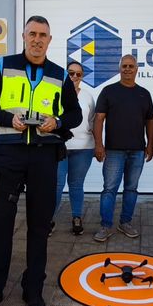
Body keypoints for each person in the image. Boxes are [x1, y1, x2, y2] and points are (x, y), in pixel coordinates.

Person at [0, 16, 82, 306]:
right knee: (1, 223)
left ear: (50, 40)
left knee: (39, 225)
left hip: (44, 155)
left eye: (42, 35)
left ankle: (33, 289)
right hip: (9, 153)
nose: (37, 39)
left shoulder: (59, 75)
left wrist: (56, 122)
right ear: (23, 36)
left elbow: (74, 115)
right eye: (32, 33)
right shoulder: (3, 66)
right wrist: (8, 119)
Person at [92, 55, 153, 242]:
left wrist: (150, 144)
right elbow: (99, 119)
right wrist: (98, 144)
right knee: (109, 189)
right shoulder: (108, 91)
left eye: (131, 66)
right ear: (119, 68)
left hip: (137, 151)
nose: (127, 69)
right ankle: (106, 226)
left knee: (131, 189)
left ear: (137, 69)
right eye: (124, 66)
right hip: (114, 151)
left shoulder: (144, 94)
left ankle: (125, 222)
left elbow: (150, 121)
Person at [53, 61, 97, 236]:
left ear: (82, 77)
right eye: (71, 73)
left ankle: (76, 218)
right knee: (57, 184)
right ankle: (49, 219)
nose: (74, 77)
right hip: (60, 146)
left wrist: (99, 145)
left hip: (84, 147)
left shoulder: (88, 96)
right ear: (66, 74)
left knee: (76, 184)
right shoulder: (56, 93)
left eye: (78, 74)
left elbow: (93, 121)